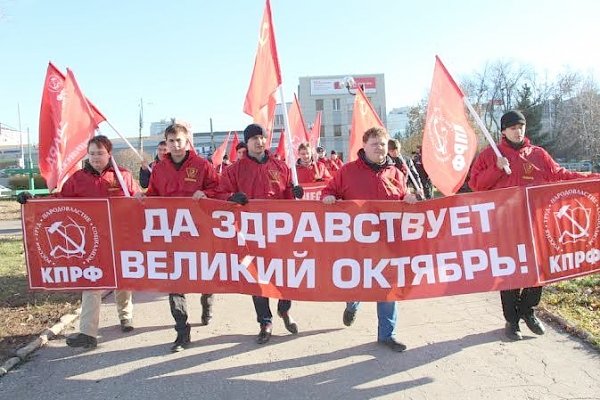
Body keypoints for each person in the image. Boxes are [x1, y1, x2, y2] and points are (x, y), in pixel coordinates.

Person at [469, 110, 600, 341]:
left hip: (534, 223)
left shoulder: (537, 154)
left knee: (538, 268)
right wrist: (497, 167)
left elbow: (559, 174)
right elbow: (476, 185)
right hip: (505, 225)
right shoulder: (490, 155)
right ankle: (512, 321)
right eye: (513, 128)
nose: (518, 131)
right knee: (510, 272)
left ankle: (527, 311)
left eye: (521, 127)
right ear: (503, 131)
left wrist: (591, 178)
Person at [18, 135, 138, 349]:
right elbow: (59, 200)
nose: (95, 157)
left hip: (119, 236)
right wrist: (32, 201)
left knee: (122, 279)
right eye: (91, 153)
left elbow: (138, 200)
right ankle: (88, 333)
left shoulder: (123, 176)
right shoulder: (78, 179)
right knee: (91, 282)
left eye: (100, 153)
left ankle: (125, 315)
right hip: (92, 241)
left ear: (109, 154)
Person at [322, 126, 417, 352]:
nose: (379, 148)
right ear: (364, 146)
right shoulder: (347, 171)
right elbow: (329, 190)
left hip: (388, 241)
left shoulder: (396, 173)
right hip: (358, 242)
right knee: (358, 282)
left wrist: (410, 197)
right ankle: (352, 303)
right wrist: (329, 197)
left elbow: (403, 197)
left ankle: (387, 334)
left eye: (382, 144)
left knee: (387, 287)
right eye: (374, 144)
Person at [215, 123, 304, 344]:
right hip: (251, 234)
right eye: (254, 138)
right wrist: (230, 198)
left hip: (278, 233)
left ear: (267, 140)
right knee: (257, 278)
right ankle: (265, 322)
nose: (259, 142)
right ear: (247, 142)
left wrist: (295, 193)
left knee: (285, 274)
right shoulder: (234, 170)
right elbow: (219, 192)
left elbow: (288, 199)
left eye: (262, 138)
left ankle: (284, 309)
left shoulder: (281, 167)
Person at [141, 123, 220, 352]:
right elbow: (154, 196)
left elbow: (220, 189)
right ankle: (182, 332)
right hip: (171, 236)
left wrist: (206, 193)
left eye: (180, 141)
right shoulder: (159, 169)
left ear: (187, 142)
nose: (176, 145)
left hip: (199, 233)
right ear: (166, 143)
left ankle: (208, 302)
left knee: (204, 275)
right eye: (171, 141)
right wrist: (143, 198)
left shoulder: (202, 165)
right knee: (175, 283)